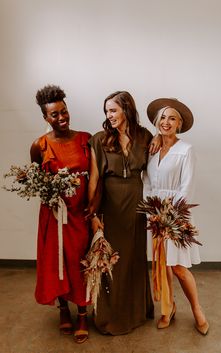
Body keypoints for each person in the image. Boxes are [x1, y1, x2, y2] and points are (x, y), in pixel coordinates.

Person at [87, 91, 155, 335]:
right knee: (112, 261)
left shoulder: (145, 136)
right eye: (107, 111)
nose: (109, 115)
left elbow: (155, 166)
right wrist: (93, 215)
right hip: (111, 207)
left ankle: (136, 313)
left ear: (126, 109)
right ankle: (110, 318)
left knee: (134, 260)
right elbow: (93, 180)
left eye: (113, 110)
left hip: (136, 206)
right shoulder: (99, 139)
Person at [30, 84, 91, 343]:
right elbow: (36, 178)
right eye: (54, 114)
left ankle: (83, 314)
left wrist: (93, 208)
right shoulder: (39, 145)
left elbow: (95, 177)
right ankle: (63, 309)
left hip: (80, 214)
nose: (61, 117)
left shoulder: (85, 139)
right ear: (45, 118)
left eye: (64, 111)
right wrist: (52, 197)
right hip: (54, 215)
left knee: (80, 263)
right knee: (57, 263)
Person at [143, 98, 209, 335]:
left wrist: (170, 215)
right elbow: (147, 181)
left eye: (172, 118)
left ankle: (197, 309)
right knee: (163, 265)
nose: (166, 122)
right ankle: (168, 308)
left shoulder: (186, 150)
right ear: (156, 121)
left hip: (175, 214)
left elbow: (186, 187)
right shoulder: (151, 149)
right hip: (155, 214)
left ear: (179, 124)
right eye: (163, 117)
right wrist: (152, 212)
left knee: (179, 267)